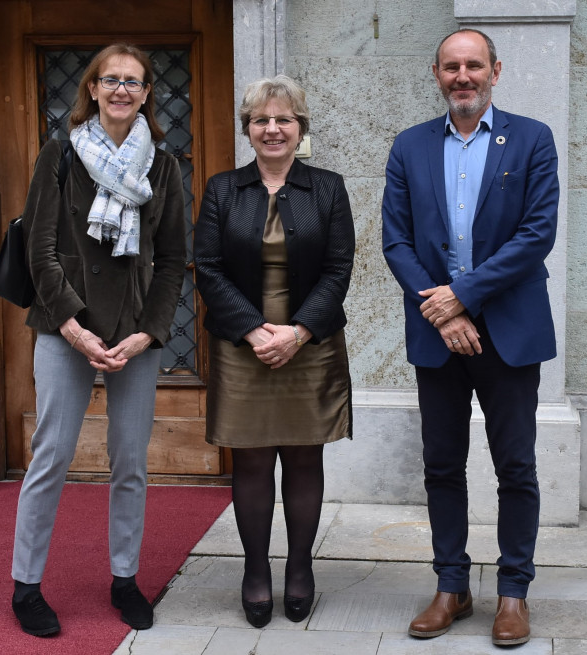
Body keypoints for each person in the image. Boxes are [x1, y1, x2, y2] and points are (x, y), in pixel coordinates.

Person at [382, 29, 560, 646]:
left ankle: (514, 593)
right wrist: (446, 311)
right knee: (442, 465)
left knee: (516, 466)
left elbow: (536, 234)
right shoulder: (410, 147)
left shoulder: (533, 138)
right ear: (437, 74)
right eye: (452, 67)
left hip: (509, 330)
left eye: (474, 65)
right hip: (438, 331)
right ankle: (451, 586)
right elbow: (396, 242)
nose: (464, 76)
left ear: (495, 71)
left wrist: (466, 295)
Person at [11, 43, 185, 637]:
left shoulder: (162, 165)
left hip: (135, 333)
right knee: (52, 455)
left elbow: (171, 261)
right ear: (91, 88)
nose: (120, 90)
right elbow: (39, 249)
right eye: (110, 80)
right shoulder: (61, 153)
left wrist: (147, 333)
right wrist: (72, 326)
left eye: (133, 82)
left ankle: (124, 579)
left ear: (145, 94)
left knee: (130, 461)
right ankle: (26, 586)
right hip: (66, 328)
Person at [193, 75, 354, 628]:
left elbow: (338, 270)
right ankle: (256, 570)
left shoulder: (327, 188)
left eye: (284, 119)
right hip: (244, 347)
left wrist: (298, 331)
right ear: (248, 129)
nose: (273, 128)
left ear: (300, 127)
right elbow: (208, 269)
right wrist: (256, 331)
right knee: (254, 459)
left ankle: (301, 568)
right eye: (261, 120)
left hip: (311, 343)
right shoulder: (222, 189)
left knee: (306, 455)